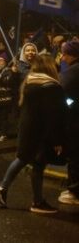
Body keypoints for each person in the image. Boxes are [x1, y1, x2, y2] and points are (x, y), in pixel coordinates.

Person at [0, 55, 66, 213]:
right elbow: (53, 116)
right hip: (42, 134)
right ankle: (38, 202)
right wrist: (57, 140)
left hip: (27, 130)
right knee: (38, 166)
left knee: (21, 159)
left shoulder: (29, 82)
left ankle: (3, 188)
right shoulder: (51, 86)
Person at [58, 40, 79, 205]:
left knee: (74, 156)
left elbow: (64, 97)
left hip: (74, 122)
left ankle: (75, 190)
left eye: (64, 53)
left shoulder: (72, 73)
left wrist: (69, 105)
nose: (62, 57)